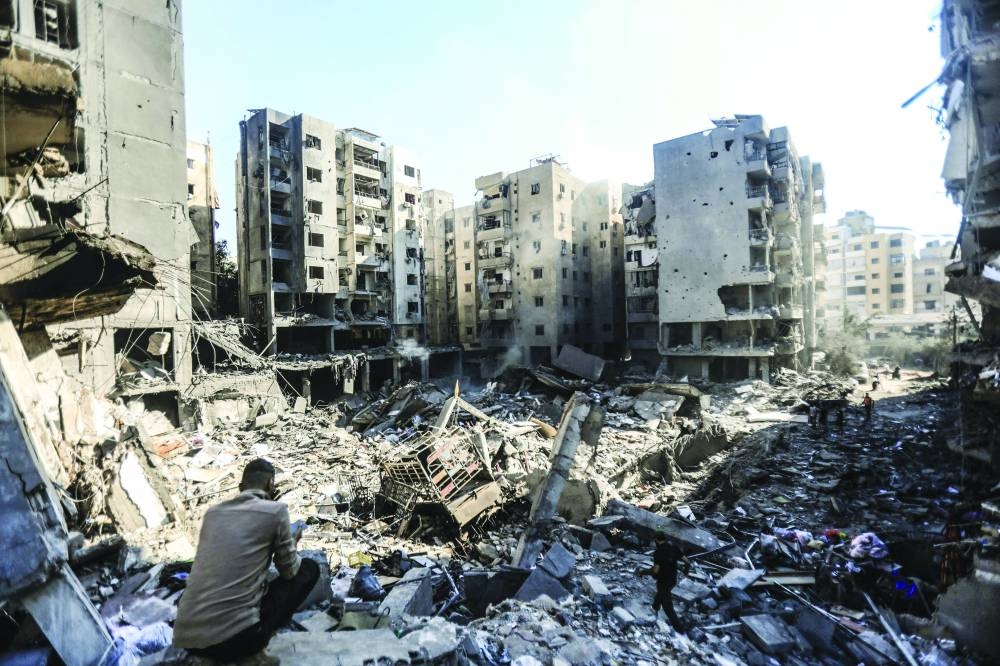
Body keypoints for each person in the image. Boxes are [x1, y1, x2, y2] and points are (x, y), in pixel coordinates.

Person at [173, 458, 318, 664]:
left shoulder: (212, 514)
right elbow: (290, 572)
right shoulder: (275, 512)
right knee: (309, 568)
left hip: (188, 638)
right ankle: (254, 654)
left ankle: (210, 657)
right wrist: (291, 545)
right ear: (271, 483)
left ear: (241, 487)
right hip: (240, 639)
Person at [637, 532, 688, 632]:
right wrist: (686, 570)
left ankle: (680, 629)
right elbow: (686, 561)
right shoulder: (674, 548)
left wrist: (643, 572)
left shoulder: (658, 552)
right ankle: (655, 607)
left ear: (656, 540)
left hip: (663, 580)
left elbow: (655, 571)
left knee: (667, 606)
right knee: (661, 592)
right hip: (673, 579)